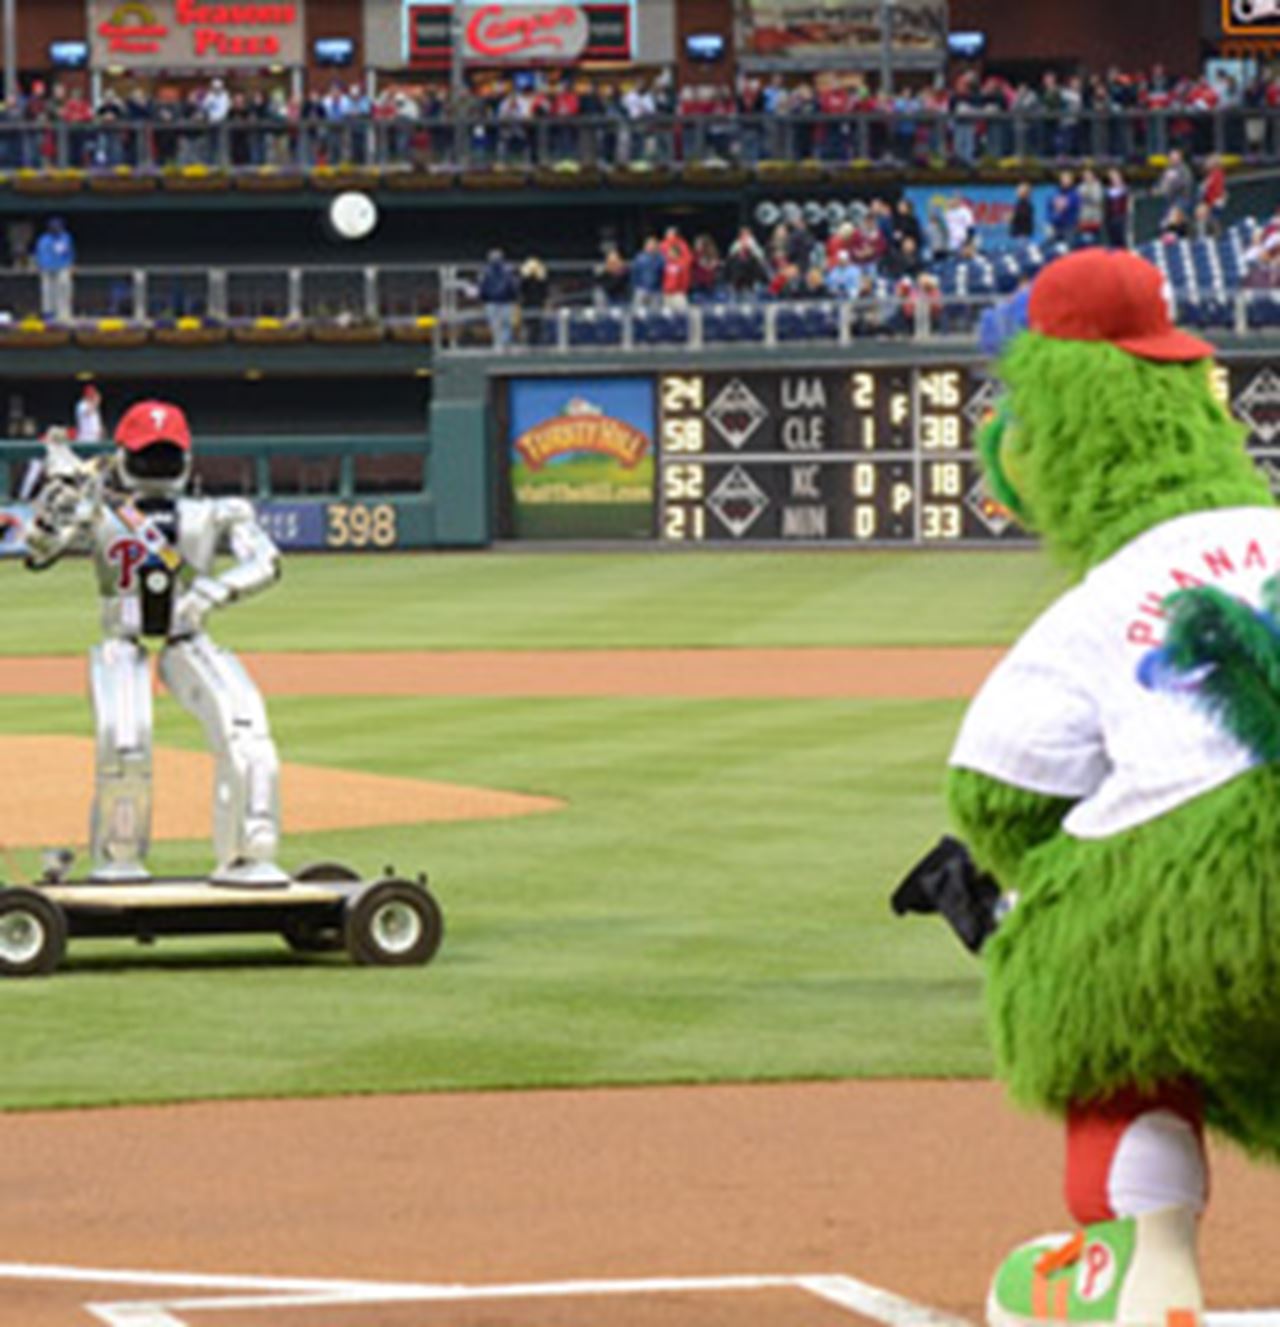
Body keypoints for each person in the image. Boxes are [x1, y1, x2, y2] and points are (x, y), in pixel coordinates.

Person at [947, 247, 1280, 1326]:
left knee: (1085, 984)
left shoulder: (1106, 593)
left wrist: (1028, 879)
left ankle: (1141, 1266)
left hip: (1203, 897)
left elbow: (994, 795)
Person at [24, 401, 284, 885]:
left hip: (190, 635)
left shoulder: (213, 513)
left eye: (165, 456)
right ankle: (120, 856)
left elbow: (267, 560)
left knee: (246, 727)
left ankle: (250, 852)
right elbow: (40, 551)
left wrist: (212, 590)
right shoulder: (99, 510)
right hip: (122, 634)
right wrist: (51, 511)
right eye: (150, 456)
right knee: (125, 740)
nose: (158, 467)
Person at [34, 216, 74, 322]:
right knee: (47, 291)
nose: (56, 229)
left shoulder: (65, 237)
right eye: (54, 227)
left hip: (62, 267)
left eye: (58, 227)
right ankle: (48, 314)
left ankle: (64, 314)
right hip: (47, 269)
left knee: (64, 289)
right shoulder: (44, 239)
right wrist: (42, 266)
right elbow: (40, 255)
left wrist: (69, 264)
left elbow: (68, 252)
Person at [478, 249, 517, 351]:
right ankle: (504, 344)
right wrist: (513, 297)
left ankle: (499, 344)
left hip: (494, 301)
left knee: (496, 323)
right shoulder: (508, 270)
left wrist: (483, 298)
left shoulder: (485, 271)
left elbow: (482, 287)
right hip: (504, 301)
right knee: (504, 323)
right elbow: (512, 286)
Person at [517, 257, 549, 348]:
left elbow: (545, 293)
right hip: (528, 304)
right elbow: (521, 291)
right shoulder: (525, 280)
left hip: (537, 304)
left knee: (537, 324)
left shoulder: (541, 280)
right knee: (529, 324)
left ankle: (536, 342)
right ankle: (529, 342)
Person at [1104, 168, 1129, 248]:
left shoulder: (1124, 189)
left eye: (1116, 177)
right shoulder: (1108, 190)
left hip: (1121, 216)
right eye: (1112, 178)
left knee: (1121, 238)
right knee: (1112, 238)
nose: (1114, 180)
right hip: (1111, 217)